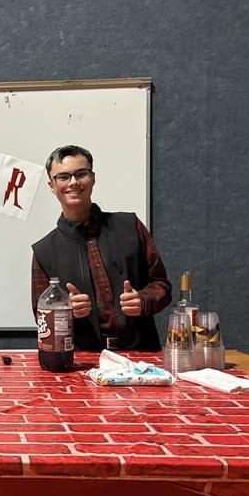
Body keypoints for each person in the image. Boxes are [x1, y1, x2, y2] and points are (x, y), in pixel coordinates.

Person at [32, 145, 172, 351]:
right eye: (63, 177)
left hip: (140, 353)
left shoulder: (130, 226)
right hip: (81, 358)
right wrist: (65, 309)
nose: (73, 182)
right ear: (52, 186)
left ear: (93, 178)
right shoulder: (44, 250)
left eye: (81, 174)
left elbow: (162, 285)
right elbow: (41, 315)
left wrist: (143, 300)